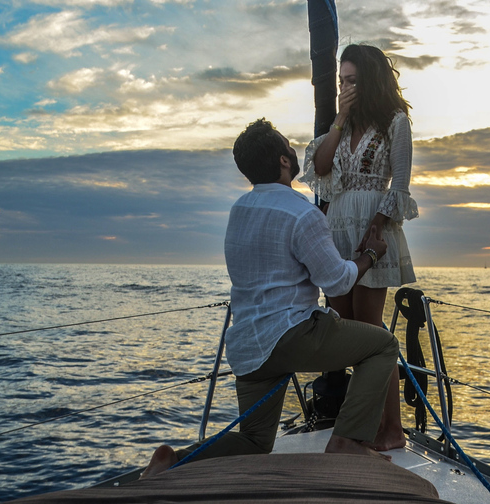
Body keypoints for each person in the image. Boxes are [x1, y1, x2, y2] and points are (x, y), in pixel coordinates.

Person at [141, 118, 399, 478]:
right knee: (383, 346)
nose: (293, 149)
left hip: (248, 347)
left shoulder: (239, 210)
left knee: (255, 441)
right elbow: (338, 282)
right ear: (283, 160)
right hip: (292, 337)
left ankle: (176, 460)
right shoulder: (302, 212)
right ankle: (348, 440)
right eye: (287, 145)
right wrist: (371, 254)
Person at [299, 44, 418, 451]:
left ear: (370, 80)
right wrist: (339, 118)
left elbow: (400, 183)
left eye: (352, 80)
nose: (345, 88)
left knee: (370, 329)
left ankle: (392, 427)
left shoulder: (395, 122)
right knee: (345, 329)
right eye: (341, 81)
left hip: (373, 227)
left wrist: (377, 226)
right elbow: (320, 168)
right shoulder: (343, 124)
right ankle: (367, 423)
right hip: (337, 227)